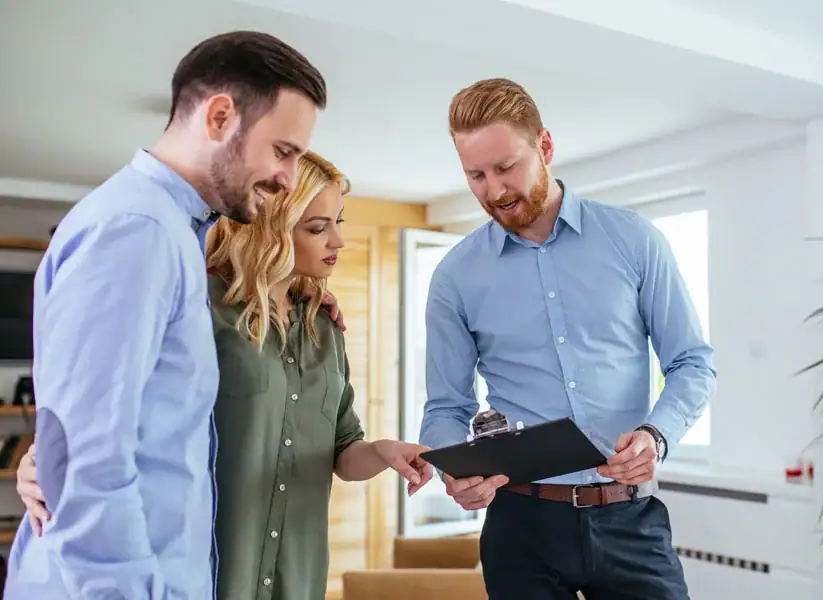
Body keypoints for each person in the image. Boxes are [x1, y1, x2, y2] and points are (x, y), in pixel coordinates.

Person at [15, 151, 436, 599]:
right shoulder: (197, 307)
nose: (338, 241)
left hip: (297, 577)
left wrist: (384, 452)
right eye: (317, 228)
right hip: (206, 573)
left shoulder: (324, 327)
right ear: (271, 230)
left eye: (339, 222)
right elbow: (117, 408)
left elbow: (342, 450)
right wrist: (43, 462)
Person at [4, 31, 328, 599]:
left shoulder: (175, 234)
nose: (286, 178)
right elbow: (86, 460)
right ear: (220, 116)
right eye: (283, 151)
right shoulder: (137, 232)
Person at [419, 78, 717, 599]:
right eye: (476, 176)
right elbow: (447, 406)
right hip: (521, 526)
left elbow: (692, 362)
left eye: (506, 167)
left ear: (545, 146)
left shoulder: (634, 240)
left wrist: (656, 435)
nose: (494, 191)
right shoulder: (455, 276)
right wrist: (456, 469)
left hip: (630, 517)